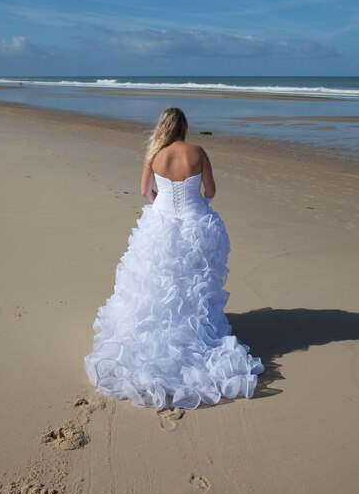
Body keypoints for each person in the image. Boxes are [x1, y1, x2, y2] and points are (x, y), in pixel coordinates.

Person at [84, 107, 264, 410]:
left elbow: (145, 192)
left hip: (162, 224)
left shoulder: (154, 154)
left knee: (157, 283)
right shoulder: (197, 151)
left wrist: (163, 209)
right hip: (197, 225)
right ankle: (197, 335)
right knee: (194, 282)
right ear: (184, 127)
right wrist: (198, 206)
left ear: (163, 126)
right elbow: (211, 190)